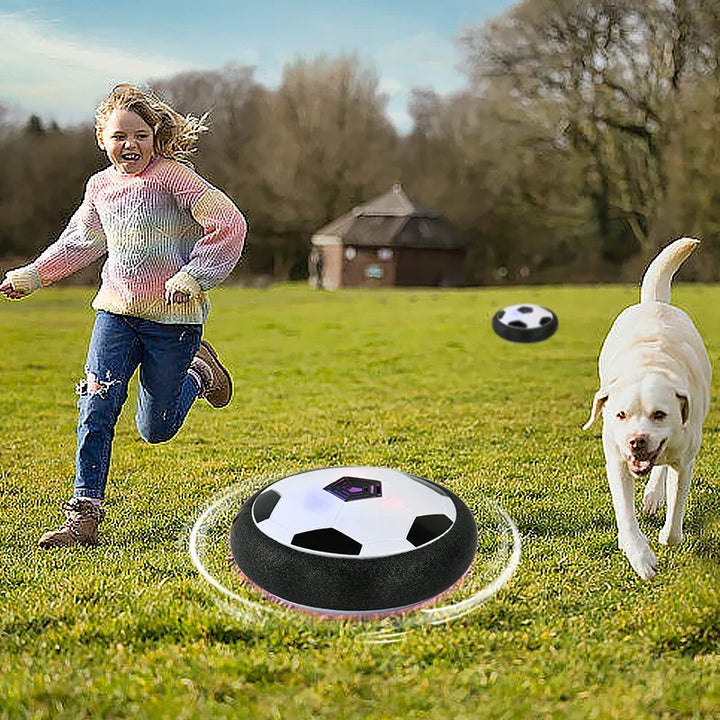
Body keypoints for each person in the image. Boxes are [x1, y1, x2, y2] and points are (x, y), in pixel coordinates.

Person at [0, 83, 247, 548]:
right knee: (95, 405)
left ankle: (199, 373)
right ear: (101, 138)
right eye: (118, 136)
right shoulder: (100, 186)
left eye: (140, 136)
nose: (129, 145)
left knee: (155, 428)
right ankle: (83, 517)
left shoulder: (175, 179)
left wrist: (195, 275)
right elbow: (81, 243)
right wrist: (34, 275)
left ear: (155, 137)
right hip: (115, 313)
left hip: (173, 321)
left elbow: (230, 224)